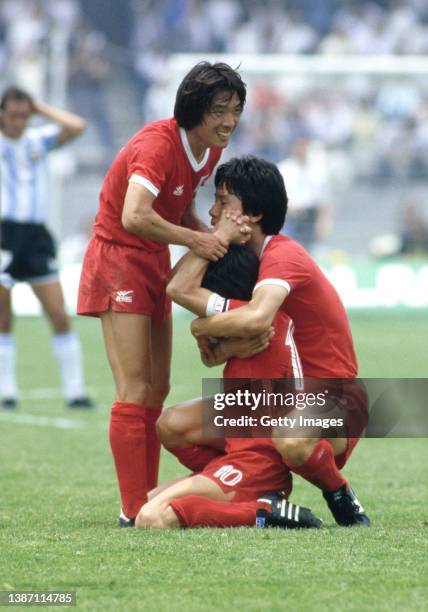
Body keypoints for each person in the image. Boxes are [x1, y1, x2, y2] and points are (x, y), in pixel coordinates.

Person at [76, 62, 247, 527]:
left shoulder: (207, 151)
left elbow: (180, 209)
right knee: (133, 388)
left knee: (158, 387)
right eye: (219, 111)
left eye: (235, 110)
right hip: (119, 258)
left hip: (152, 260)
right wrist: (197, 241)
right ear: (195, 109)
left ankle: (143, 496)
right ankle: (133, 508)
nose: (229, 121)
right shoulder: (157, 144)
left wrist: (219, 240)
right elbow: (134, 215)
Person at [160, 156, 370, 526]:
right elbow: (178, 289)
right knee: (172, 425)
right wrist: (220, 237)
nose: (213, 211)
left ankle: (340, 495)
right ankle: (251, 493)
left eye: (224, 202)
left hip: (333, 398)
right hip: (268, 402)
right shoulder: (239, 260)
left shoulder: (283, 256)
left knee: (290, 438)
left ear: (253, 214)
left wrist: (202, 329)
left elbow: (257, 318)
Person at [136, 244, 322, 530]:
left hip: (257, 468)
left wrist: (216, 236)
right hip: (244, 459)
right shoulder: (250, 320)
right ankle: (231, 489)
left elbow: (176, 286)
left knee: (151, 517)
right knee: (147, 503)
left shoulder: (249, 319)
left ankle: (263, 511)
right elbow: (210, 356)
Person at [0, 86, 93, 410]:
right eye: (13, 115)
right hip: (3, 235)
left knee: (58, 313)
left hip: (36, 238)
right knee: (3, 316)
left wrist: (40, 106)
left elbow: (77, 127)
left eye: (25, 115)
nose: (19, 122)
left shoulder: (36, 140)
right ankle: (7, 392)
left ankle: (75, 392)